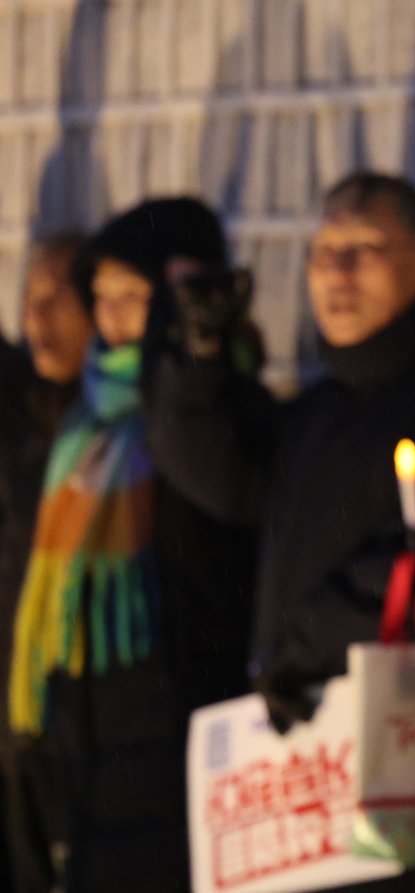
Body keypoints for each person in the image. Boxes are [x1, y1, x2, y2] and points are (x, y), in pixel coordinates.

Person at [145, 172, 415, 893]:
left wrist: (299, 649)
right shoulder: (322, 407)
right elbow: (220, 473)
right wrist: (200, 358)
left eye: (365, 246)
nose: (337, 269)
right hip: (311, 787)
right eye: (324, 248)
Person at [6, 199, 260, 893]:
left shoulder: (211, 407)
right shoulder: (81, 422)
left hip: (175, 726)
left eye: (134, 295)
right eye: (104, 296)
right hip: (85, 735)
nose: (114, 314)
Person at [0, 232, 91, 893]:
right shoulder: (19, 414)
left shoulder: (127, 428)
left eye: (59, 295)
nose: (38, 315)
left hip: (86, 722)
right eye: (30, 296)